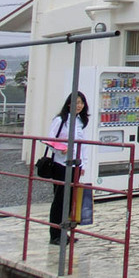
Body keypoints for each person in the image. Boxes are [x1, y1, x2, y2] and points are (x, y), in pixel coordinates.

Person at [47, 92, 90, 246]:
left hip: (75, 165)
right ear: (69, 103)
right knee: (60, 200)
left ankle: (64, 232)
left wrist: (83, 164)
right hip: (61, 164)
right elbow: (50, 139)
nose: (79, 106)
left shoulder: (79, 121)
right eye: (76, 102)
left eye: (81, 103)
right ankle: (55, 234)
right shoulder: (60, 120)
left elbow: (82, 146)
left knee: (70, 199)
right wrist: (61, 149)